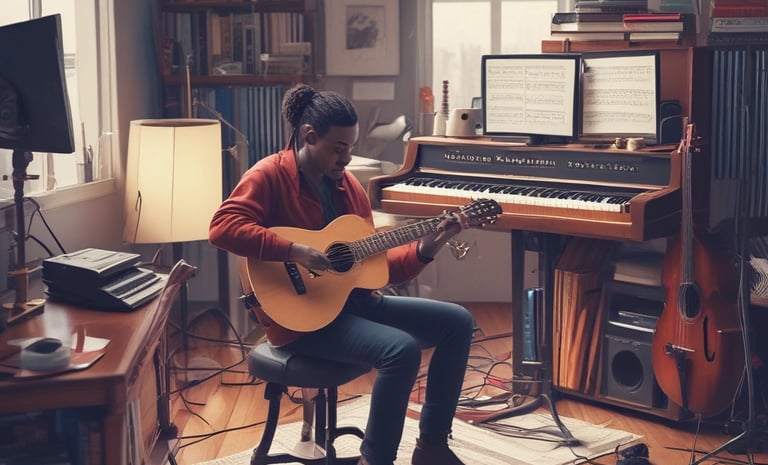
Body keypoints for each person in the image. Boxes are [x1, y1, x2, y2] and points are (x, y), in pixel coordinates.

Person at [209, 83, 475, 465]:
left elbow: (374, 269)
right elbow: (222, 228)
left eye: (350, 146)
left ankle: (431, 446)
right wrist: (296, 250)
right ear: (309, 136)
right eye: (338, 148)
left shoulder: (349, 188)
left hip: (351, 304)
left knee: (457, 322)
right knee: (400, 350)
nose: (347, 158)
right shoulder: (269, 175)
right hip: (302, 318)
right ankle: (375, 459)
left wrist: (429, 245)